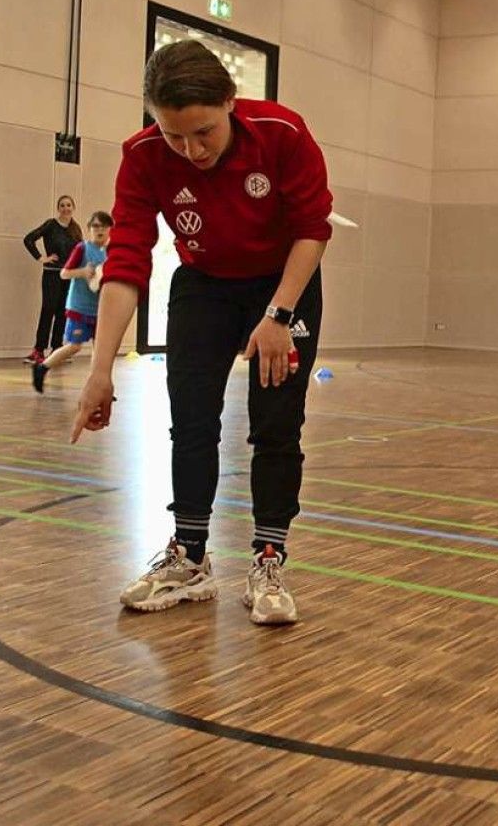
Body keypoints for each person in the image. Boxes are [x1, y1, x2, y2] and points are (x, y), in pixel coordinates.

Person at [69, 40, 333, 626]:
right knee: (190, 421)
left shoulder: (282, 133)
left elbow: (313, 228)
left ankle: (269, 557)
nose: (191, 150)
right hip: (204, 285)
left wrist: (279, 316)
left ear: (230, 105)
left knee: (276, 424)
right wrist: (99, 369)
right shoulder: (141, 157)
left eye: (204, 133)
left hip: (283, 281)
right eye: (174, 136)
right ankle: (189, 557)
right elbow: (128, 262)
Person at [32, 211, 112, 393]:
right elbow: (64, 273)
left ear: (109, 230)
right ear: (89, 229)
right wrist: (83, 272)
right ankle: (42, 368)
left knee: (100, 350)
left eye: (104, 226)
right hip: (79, 308)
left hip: (100, 310)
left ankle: (98, 387)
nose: (99, 230)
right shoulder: (82, 249)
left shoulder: (111, 252)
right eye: (95, 226)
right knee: (74, 346)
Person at [22, 195, 81, 364]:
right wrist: (41, 258)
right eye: (62, 205)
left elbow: (79, 251)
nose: (65, 208)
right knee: (48, 310)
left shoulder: (75, 229)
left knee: (62, 312)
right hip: (51, 274)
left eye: (68, 205)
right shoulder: (50, 225)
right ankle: (38, 351)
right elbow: (29, 239)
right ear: (58, 208)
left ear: (73, 208)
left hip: (68, 276)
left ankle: (57, 349)